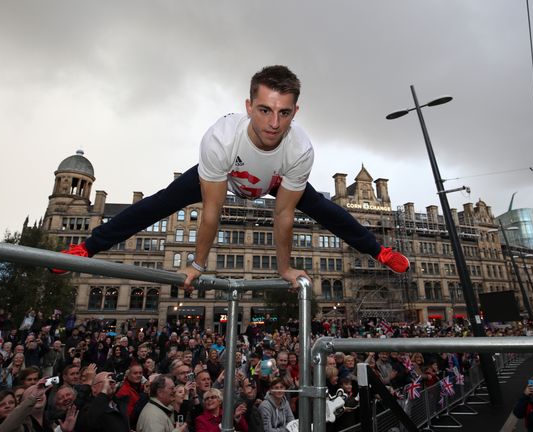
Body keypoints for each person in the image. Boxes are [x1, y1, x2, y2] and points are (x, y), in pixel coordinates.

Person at [51, 65, 410, 288]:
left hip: (275, 180)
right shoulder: (221, 138)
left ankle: (378, 250)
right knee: (160, 202)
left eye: (284, 113)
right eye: (265, 110)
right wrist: (196, 264)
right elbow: (212, 212)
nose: (274, 124)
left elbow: (283, 215)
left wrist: (285, 269)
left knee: (326, 210)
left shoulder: (300, 148)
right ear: (248, 107)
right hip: (223, 174)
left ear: (295, 111)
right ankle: (89, 246)